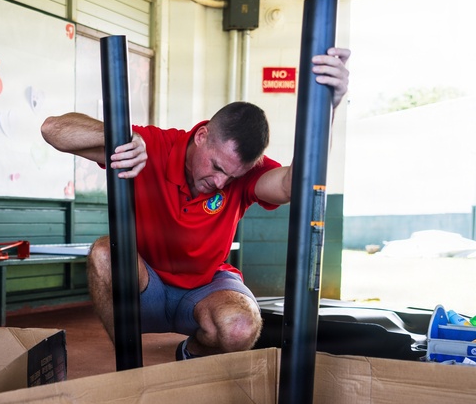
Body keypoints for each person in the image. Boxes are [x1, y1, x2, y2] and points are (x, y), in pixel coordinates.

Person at [40, 47, 351, 360]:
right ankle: (126, 354)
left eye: (231, 176)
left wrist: (326, 108)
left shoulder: (242, 175)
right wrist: (118, 136)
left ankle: (190, 353)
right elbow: (53, 130)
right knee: (104, 254)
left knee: (241, 327)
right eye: (216, 167)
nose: (220, 183)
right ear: (202, 136)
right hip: (145, 286)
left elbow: (292, 186)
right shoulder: (152, 146)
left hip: (205, 288)